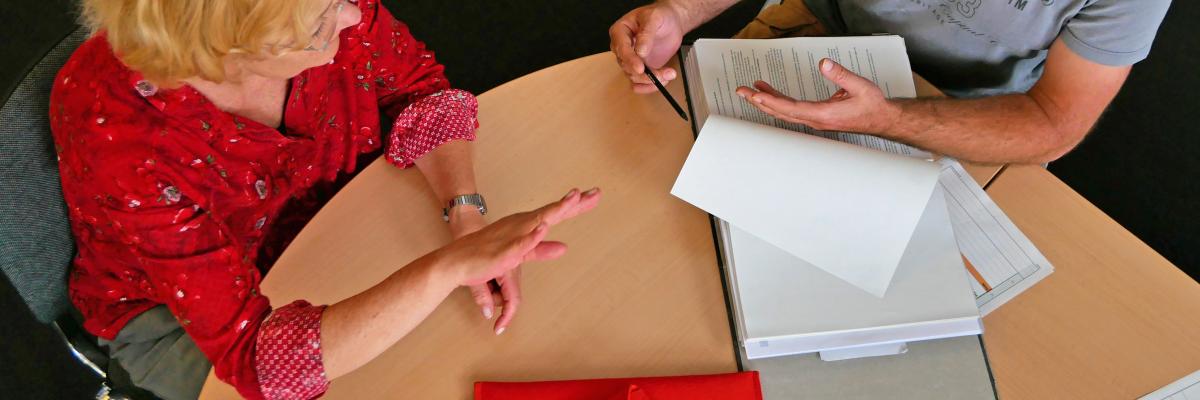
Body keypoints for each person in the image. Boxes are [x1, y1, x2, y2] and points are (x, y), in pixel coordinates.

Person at [50, 0, 601, 398]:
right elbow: (257, 359)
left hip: (334, 219)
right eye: (320, 24)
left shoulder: (312, 5)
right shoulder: (119, 134)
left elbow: (417, 90)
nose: (355, 16)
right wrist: (448, 267)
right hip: (181, 321)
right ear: (232, 53)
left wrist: (465, 213)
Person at [609, 0, 1171, 164]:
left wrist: (888, 118)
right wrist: (681, 11)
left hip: (971, 111)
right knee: (661, 159)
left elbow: (1053, 121)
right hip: (823, 32)